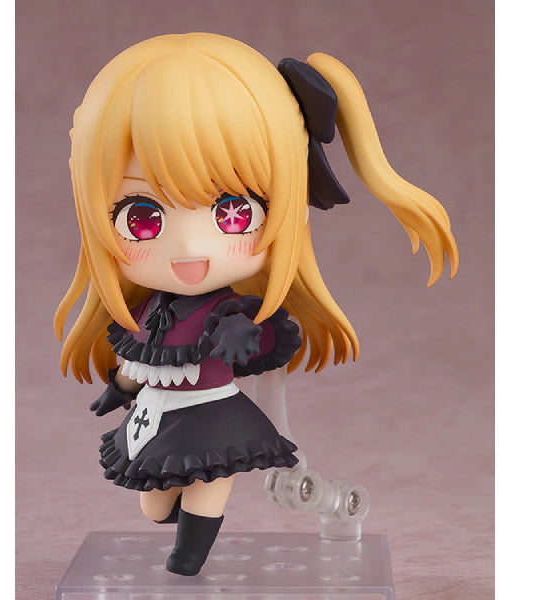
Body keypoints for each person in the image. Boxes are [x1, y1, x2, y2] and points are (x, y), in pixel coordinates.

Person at [54, 32, 458, 576]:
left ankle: (189, 557)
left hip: (214, 413)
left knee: (209, 482)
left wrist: (244, 336)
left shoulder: (228, 311)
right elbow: (139, 354)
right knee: (153, 505)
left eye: (233, 213)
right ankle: (179, 528)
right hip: (155, 415)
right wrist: (121, 387)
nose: (190, 248)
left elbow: (264, 343)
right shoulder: (148, 309)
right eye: (143, 218)